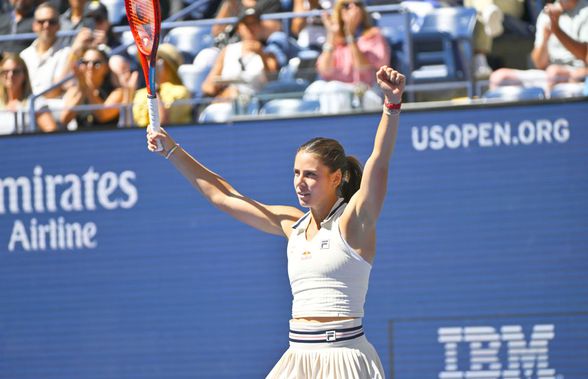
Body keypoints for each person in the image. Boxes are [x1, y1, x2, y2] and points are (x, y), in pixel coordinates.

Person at [147, 64, 404, 379]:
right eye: (296, 173)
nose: (300, 182)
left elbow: (379, 161)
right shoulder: (291, 223)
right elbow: (223, 195)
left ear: (336, 177)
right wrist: (171, 150)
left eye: (311, 175)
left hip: (345, 358)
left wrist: (391, 106)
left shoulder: (354, 221)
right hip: (297, 358)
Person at [489, 0, 588, 95]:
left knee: (554, 73)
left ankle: (547, 112)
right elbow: (539, 64)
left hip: (579, 74)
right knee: (499, 78)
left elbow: (585, 55)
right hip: (549, 74)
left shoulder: (586, 11)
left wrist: (556, 31)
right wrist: (545, 39)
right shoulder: (546, 13)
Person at [310, 0, 391, 113]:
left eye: (358, 4)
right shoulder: (335, 40)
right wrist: (331, 35)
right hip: (337, 93)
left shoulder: (373, 35)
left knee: (334, 89)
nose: (353, 8)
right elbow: (324, 70)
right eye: (346, 5)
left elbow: (362, 67)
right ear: (339, 11)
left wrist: (350, 35)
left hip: (366, 92)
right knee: (315, 88)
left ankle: (335, 130)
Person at [201, 7, 280, 100]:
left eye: (254, 24)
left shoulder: (269, 54)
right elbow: (208, 86)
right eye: (246, 24)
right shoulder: (228, 51)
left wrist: (261, 54)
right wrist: (223, 93)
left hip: (257, 104)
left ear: (261, 27)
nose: (251, 28)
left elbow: (273, 83)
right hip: (227, 102)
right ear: (238, 28)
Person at [60, 45, 123, 129]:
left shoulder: (117, 92)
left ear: (106, 67)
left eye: (96, 63)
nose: (90, 66)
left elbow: (103, 116)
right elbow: (64, 120)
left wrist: (85, 87)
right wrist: (81, 92)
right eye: (85, 62)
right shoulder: (74, 91)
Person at [132, 44, 193, 127]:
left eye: (154, 59)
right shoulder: (140, 93)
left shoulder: (181, 92)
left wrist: (155, 87)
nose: (149, 63)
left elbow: (162, 125)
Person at [19, 2, 71, 97]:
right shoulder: (24, 55)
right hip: (27, 108)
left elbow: (59, 88)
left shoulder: (68, 54)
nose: (46, 25)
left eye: (52, 22)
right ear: (34, 25)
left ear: (59, 26)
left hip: (55, 110)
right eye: (41, 21)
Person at [0, 53, 57, 134]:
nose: (10, 75)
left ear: (24, 75)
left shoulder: (36, 103)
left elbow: (52, 133)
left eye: (15, 71)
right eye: (5, 71)